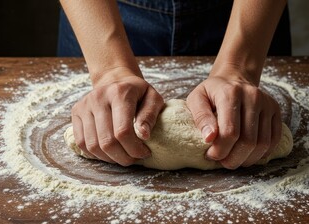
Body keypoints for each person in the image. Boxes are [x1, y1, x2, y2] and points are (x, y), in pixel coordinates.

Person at [59, 0, 291, 169]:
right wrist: (109, 71)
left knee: (249, 122)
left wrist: (240, 67)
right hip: (96, 18)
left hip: (251, 16)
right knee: (101, 124)